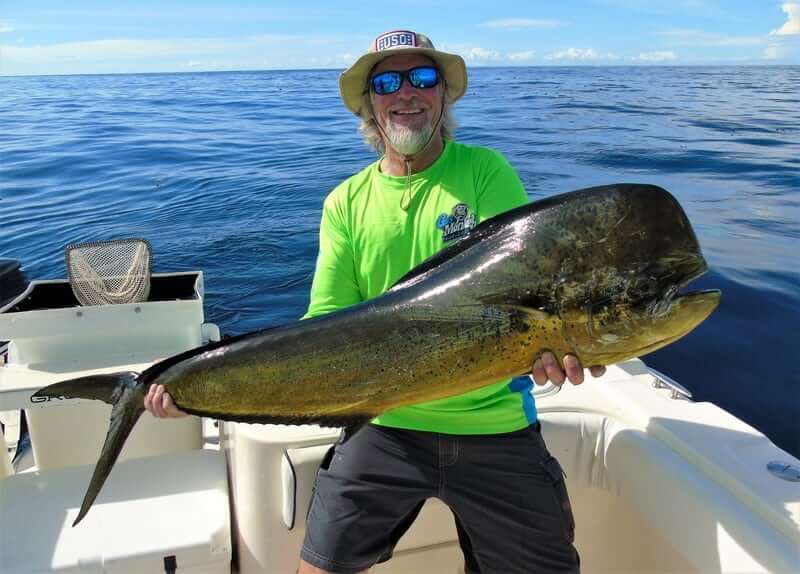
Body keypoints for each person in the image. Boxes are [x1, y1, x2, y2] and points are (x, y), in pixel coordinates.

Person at [145, 30, 605, 574]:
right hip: (384, 426)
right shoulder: (345, 202)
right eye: (387, 83)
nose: (406, 92)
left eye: (422, 77)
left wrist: (559, 346)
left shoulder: (486, 172)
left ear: (443, 94)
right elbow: (325, 324)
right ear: (370, 104)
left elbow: (524, 292)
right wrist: (200, 389)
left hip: (493, 425)